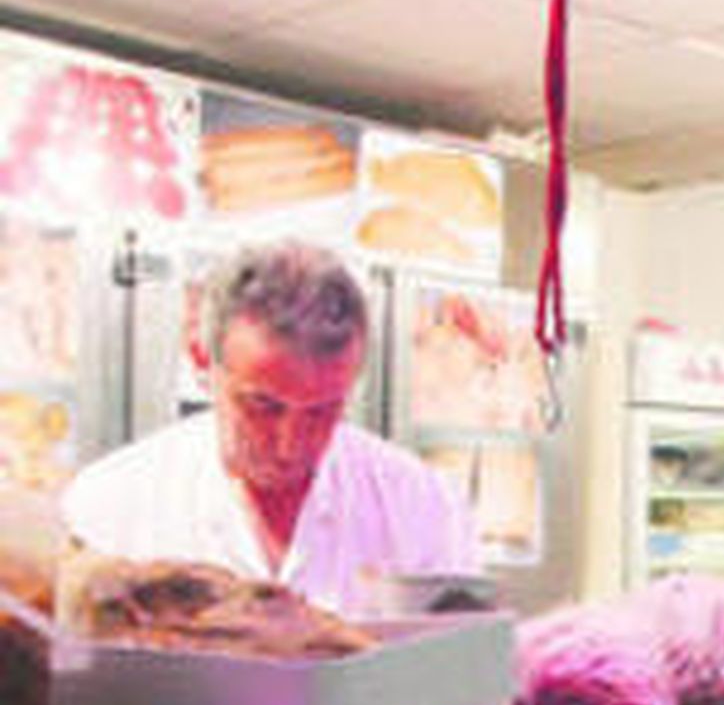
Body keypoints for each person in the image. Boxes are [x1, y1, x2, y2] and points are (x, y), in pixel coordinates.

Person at [64, 240, 479, 617]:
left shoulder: (423, 506)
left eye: (323, 411)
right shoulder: (111, 504)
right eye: (262, 405)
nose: (289, 443)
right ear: (201, 359)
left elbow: (459, 680)